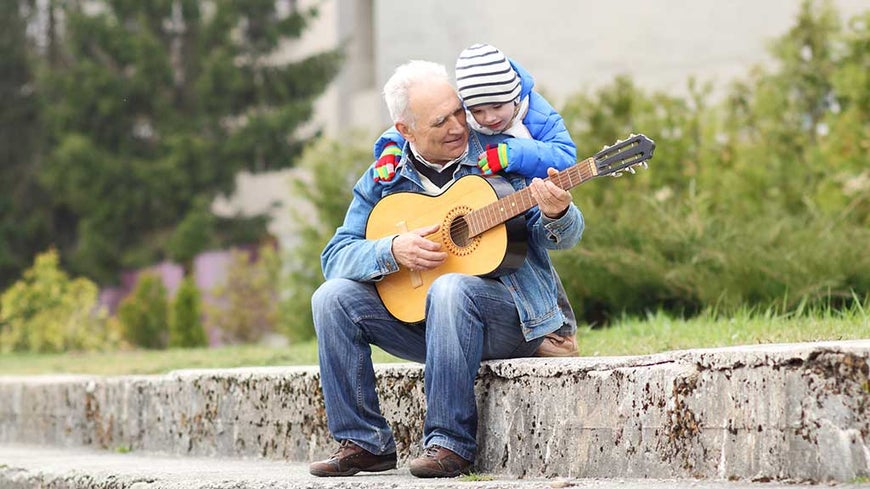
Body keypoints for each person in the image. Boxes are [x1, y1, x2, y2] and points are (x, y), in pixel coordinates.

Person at [308, 60, 585, 479]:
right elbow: (335, 256)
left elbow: (560, 237)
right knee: (331, 298)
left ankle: (449, 444)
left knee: (451, 288)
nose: (460, 126)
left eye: (460, 111)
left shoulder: (498, 154)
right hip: (425, 324)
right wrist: (391, 250)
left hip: (510, 317)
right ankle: (364, 443)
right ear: (406, 131)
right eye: (441, 121)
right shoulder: (385, 177)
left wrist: (558, 212)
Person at [371, 43, 579, 357]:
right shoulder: (460, 119)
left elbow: (565, 156)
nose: (488, 118)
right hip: (448, 290)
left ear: (512, 96)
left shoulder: (533, 115)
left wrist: (514, 156)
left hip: (525, 175)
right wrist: (387, 149)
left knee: (524, 245)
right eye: (476, 111)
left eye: (496, 107)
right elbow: (412, 123)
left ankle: (557, 331)